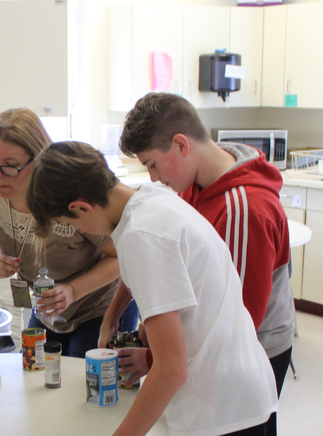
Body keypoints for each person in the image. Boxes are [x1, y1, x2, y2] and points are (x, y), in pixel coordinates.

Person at [27, 141, 279, 436]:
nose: (78, 230)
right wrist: (112, 316)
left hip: (215, 412)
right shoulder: (149, 198)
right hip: (244, 387)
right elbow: (148, 267)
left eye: (73, 223)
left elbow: (172, 369)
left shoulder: (142, 236)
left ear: (81, 207)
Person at [116, 92, 295, 396]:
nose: (154, 178)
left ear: (181, 144)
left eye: (153, 164)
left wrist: (155, 357)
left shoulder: (244, 210)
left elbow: (236, 317)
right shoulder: (194, 184)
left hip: (250, 351)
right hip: (211, 346)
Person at [0, 108, 136, 361]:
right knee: (33, 374)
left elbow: (121, 258)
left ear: (38, 161)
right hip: (47, 308)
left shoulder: (64, 195)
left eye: (10, 167)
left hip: (100, 307)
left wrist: (72, 290)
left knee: (84, 386)